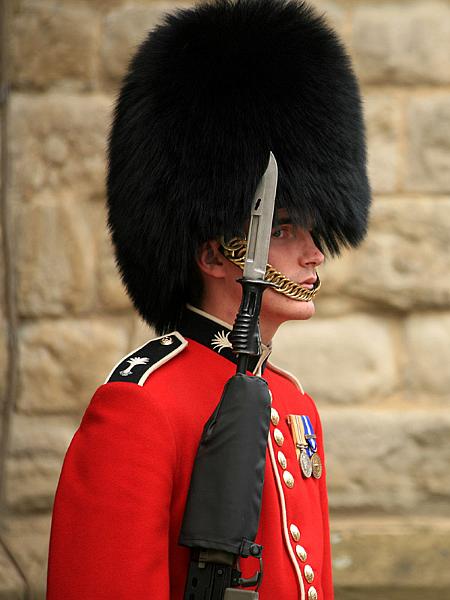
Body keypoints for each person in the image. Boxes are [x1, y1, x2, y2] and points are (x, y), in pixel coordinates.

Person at [47, 0, 370, 599]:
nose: (314, 253)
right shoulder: (142, 408)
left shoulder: (294, 404)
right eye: (283, 230)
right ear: (216, 254)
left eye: (309, 229)